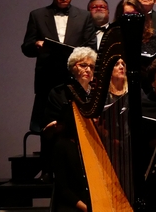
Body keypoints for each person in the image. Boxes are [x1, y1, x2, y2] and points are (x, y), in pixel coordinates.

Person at [22, 0, 97, 134]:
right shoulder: (37, 15)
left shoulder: (84, 16)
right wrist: (37, 45)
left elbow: (91, 47)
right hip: (47, 80)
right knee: (48, 129)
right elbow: (26, 48)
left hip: (75, 80)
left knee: (77, 129)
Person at [45, 47, 97, 212]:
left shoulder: (97, 94)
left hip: (92, 146)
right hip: (67, 146)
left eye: (91, 66)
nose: (88, 69)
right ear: (73, 67)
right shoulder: (58, 92)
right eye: (83, 65)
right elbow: (52, 124)